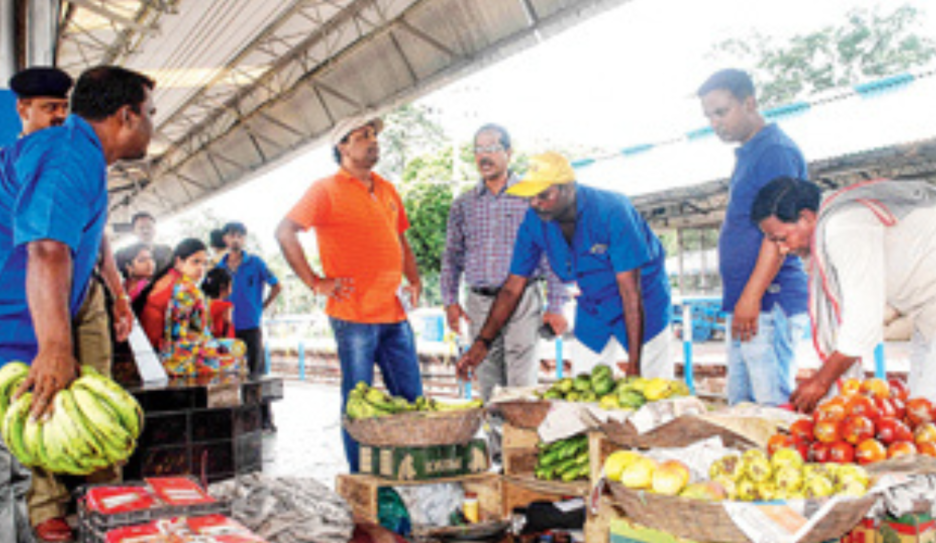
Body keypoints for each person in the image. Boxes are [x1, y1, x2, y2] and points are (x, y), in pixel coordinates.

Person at [0, 65, 156, 543]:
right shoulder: (67, 154)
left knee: (13, 482)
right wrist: (55, 349)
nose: (154, 123)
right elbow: (47, 249)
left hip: (5, 340)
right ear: (126, 116)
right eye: (151, 113)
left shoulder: (73, 152)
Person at [751, 177, 936, 424]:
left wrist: (821, 381)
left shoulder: (843, 226)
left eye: (780, 238)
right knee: (924, 408)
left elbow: (863, 323)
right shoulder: (835, 222)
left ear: (807, 217)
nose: (782, 250)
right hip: (935, 307)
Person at [276, 115, 423, 472]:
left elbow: (400, 239)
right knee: (358, 400)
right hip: (353, 314)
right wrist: (315, 281)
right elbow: (285, 232)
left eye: (373, 135)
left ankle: (414, 466)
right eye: (362, 136)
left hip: (394, 312)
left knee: (411, 397)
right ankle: (361, 476)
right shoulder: (325, 189)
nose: (372, 141)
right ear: (342, 146)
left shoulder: (387, 188)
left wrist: (414, 280)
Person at [456, 151, 672, 381]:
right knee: (586, 385)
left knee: (651, 390)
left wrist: (635, 366)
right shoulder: (534, 221)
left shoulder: (613, 210)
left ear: (568, 188)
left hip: (642, 303)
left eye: (543, 195)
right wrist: (483, 342)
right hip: (594, 305)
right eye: (530, 197)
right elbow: (512, 288)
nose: (535, 204)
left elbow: (630, 291)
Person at [698, 68, 810, 406]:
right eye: (708, 116)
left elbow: (780, 231)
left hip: (767, 301)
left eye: (721, 112)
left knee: (771, 411)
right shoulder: (750, 153)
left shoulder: (773, 152)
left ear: (750, 103)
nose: (715, 123)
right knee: (742, 411)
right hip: (747, 303)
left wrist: (752, 295)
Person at [441, 124, 569, 402]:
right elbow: (452, 256)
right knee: (489, 386)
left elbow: (550, 253)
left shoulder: (530, 197)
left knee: (521, 388)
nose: (483, 156)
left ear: (508, 153)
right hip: (479, 302)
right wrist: (450, 301)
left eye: (491, 148)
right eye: (478, 150)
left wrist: (556, 305)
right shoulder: (463, 204)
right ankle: (498, 447)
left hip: (523, 301)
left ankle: (520, 446)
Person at [144, 239, 247, 378]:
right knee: (236, 350)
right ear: (179, 262)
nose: (201, 268)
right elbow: (177, 335)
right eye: (195, 262)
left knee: (235, 347)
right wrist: (207, 345)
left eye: (204, 263)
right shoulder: (185, 290)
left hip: (189, 348)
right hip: (182, 355)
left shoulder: (188, 286)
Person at [216, 222, 281, 376]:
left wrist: (262, 306)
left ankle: (258, 401)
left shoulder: (256, 263)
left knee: (255, 373)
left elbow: (277, 286)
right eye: (232, 235)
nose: (236, 239)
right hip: (227, 329)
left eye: (240, 236)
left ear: (244, 239)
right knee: (229, 373)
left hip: (251, 326)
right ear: (225, 239)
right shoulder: (218, 268)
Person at [202, 267, 235, 339]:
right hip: (222, 343)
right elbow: (227, 325)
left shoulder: (203, 303)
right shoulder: (226, 306)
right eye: (231, 285)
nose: (232, 288)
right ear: (222, 286)